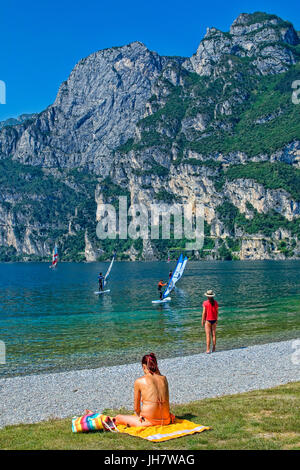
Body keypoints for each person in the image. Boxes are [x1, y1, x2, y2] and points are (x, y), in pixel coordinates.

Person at [102, 353, 174, 430]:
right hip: (166, 420)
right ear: (156, 365)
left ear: (143, 366)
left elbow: (136, 409)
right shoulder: (164, 378)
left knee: (118, 417)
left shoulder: (139, 381)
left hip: (149, 422)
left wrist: (140, 416)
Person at [202, 289, 219, 354]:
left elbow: (204, 313)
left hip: (208, 320)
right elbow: (217, 312)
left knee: (208, 335)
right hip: (214, 320)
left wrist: (202, 320)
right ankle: (214, 348)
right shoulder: (216, 302)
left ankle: (208, 349)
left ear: (207, 296)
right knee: (214, 335)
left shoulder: (205, 303)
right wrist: (216, 319)